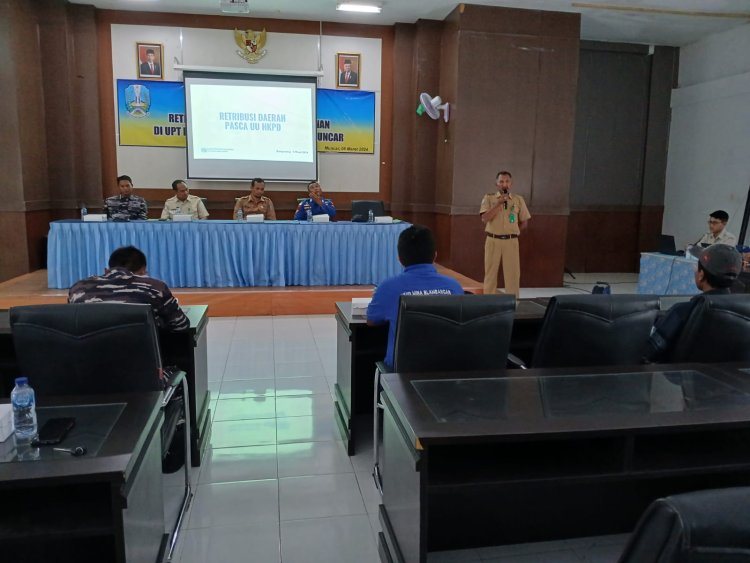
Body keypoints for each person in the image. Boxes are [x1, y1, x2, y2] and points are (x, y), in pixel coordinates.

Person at [367, 225, 463, 370]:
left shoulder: (387, 287)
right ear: (435, 256)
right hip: (445, 372)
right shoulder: (454, 287)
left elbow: (372, 321)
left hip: (400, 376)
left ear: (400, 258)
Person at [642, 244, 742, 363]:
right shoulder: (743, 312)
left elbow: (649, 352)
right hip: (728, 379)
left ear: (701, 275)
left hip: (680, 378)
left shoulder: (681, 312)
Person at [68, 245, 189, 332]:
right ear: (142, 272)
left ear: (107, 270)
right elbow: (181, 326)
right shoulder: (155, 287)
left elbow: (71, 327)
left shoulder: (78, 288)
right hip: (141, 362)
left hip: (86, 362)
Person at [479, 170, 531, 298]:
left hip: (511, 241)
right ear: (496, 184)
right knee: (490, 273)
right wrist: (498, 204)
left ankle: (513, 302)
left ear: (511, 184)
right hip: (493, 240)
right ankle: (488, 302)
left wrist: (512, 231)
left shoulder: (518, 200)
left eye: (507, 181)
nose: (504, 184)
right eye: (501, 181)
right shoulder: (489, 198)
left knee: (513, 274)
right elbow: (485, 219)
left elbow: (524, 222)